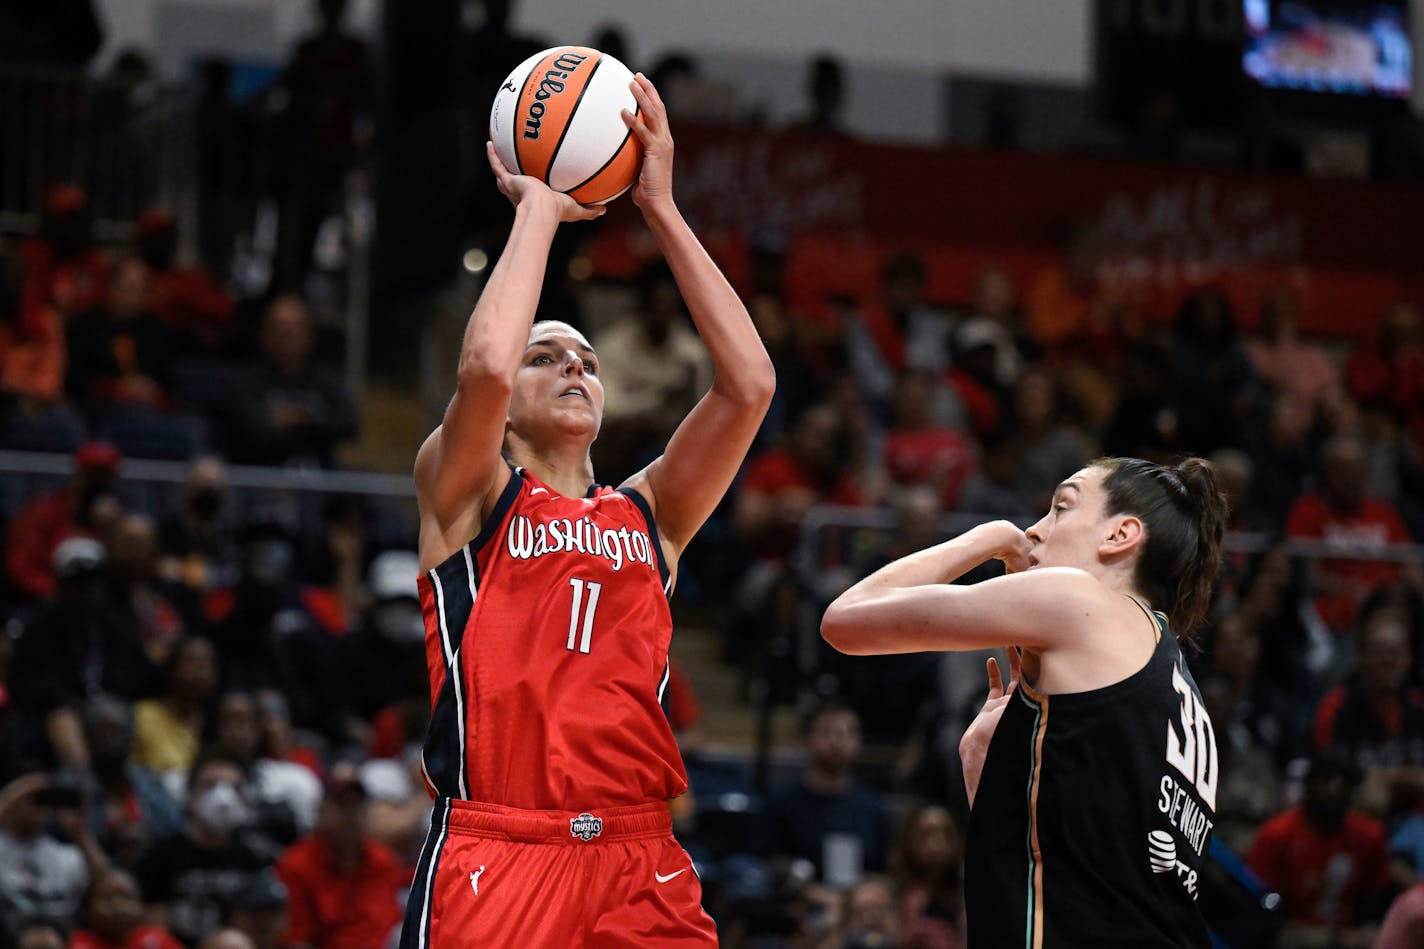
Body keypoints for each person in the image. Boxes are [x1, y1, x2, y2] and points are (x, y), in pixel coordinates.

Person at [400, 73, 774, 948]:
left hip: (639, 858)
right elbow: (484, 371)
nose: (573, 367)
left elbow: (749, 384)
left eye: (588, 361)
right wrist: (537, 205)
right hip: (500, 848)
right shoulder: (467, 491)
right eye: (550, 357)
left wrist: (663, 210)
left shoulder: (650, 515)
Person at [822, 456, 1229, 946]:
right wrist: (993, 777)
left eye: (1060, 508)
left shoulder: (1079, 599)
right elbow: (1083, 863)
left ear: (1119, 536)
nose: (1034, 532)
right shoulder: (1181, 688)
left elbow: (847, 619)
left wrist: (987, 538)